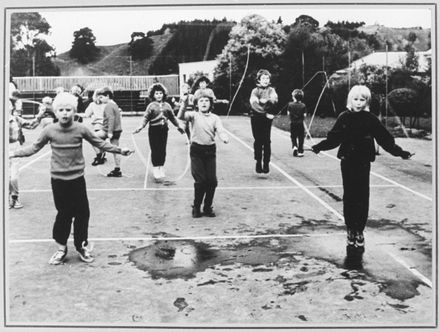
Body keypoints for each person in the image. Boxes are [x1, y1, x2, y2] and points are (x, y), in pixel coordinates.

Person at [9, 92, 132, 265]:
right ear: (55, 112)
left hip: (77, 180)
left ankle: (81, 246)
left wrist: (120, 150)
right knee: (64, 214)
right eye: (61, 110)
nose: (65, 113)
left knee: (83, 213)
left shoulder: (81, 129)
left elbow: (99, 143)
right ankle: (61, 248)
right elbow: (34, 148)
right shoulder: (49, 130)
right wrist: (13, 153)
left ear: (74, 110)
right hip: (58, 181)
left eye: (68, 109)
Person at [311, 85, 412, 250]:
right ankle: (350, 229)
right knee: (349, 196)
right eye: (356, 99)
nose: (358, 103)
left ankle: (359, 230)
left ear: (367, 101)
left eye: (362, 100)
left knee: (362, 196)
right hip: (347, 160)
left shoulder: (370, 119)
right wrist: (319, 146)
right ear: (350, 100)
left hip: (363, 162)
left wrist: (400, 152)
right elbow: (334, 138)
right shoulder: (344, 117)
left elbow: (384, 138)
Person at [178, 91, 229, 218]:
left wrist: (223, 137)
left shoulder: (215, 118)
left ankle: (207, 206)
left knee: (212, 181)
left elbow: (220, 130)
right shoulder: (193, 115)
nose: (204, 103)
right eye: (201, 101)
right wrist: (184, 103)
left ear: (211, 103)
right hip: (196, 151)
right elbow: (180, 116)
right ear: (196, 104)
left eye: (206, 100)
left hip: (210, 151)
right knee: (200, 181)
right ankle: (196, 206)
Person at [133, 83, 185, 181]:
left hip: (164, 130)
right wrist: (140, 127)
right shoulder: (151, 106)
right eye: (156, 93)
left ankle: (161, 167)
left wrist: (179, 126)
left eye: (160, 93)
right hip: (154, 131)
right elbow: (145, 118)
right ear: (153, 95)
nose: (159, 95)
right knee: (155, 150)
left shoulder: (167, 105)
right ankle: (156, 168)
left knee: (162, 150)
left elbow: (173, 118)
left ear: (164, 94)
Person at [249, 69, 278, 174]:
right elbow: (254, 104)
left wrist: (268, 100)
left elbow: (274, 100)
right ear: (259, 80)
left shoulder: (271, 90)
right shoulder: (255, 91)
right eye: (263, 78)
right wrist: (265, 113)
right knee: (258, 140)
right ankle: (258, 161)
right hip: (256, 117)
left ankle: (266, 163)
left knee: (266, 141)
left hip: (267, 119)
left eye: (267, 78)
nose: (265, 80)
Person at [8, 100, 36, 209]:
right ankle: (7, 198)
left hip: (14, 148)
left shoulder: (16, 119)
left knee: (13, 176)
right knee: (6, 176)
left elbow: (31, 125)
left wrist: (39, 115)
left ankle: (15, 198)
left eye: (9, 104)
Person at [96, 87, 125, 177]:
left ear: (107, 96)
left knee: (93, 137)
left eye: (101, 97)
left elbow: (111, 119)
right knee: (116, 149)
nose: (99, 99)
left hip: (109, 130)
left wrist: (109, 132)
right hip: (117, 130)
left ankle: (100, 154)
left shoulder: (108, 105)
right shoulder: (114, 104)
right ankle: (117, 169)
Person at [82, 88, 107, 166]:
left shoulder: (92, 104)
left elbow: (87, 114)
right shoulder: (107, 104)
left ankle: (99, 155)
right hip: (107, 124)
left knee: (93, 140)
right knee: (102, 141)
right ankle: (102, 155)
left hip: (98, 125)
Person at [288, 89, 307, 157]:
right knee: (301, 137)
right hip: (300, 123)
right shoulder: (303, 105)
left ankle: (295, 146)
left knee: (293, 136)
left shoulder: (290, 104)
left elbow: (288, 113)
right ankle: (300, 151)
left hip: (293, 123)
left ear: (293, 97)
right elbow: (304, 115)